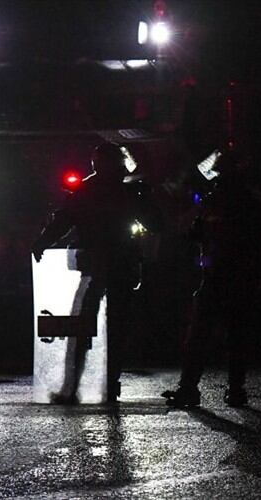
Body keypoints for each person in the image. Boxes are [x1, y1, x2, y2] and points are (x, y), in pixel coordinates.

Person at [32, 143, 160, 403]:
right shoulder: (123, 192)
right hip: (114, 266)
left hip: (100, 267)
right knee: (109, 328)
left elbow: (64, 220)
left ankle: (76, 387)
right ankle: (105, 385)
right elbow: (155, 223)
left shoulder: (90, 191)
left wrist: (43, 241)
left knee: (85, 327)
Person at [162, 150, 261, 408]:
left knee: (200, 335)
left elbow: (195, 233)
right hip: (237, 277)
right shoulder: (249, 201)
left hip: (221, 276)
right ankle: (234, 390)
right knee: (235, 336)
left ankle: (190, 389)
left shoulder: (219, 201)